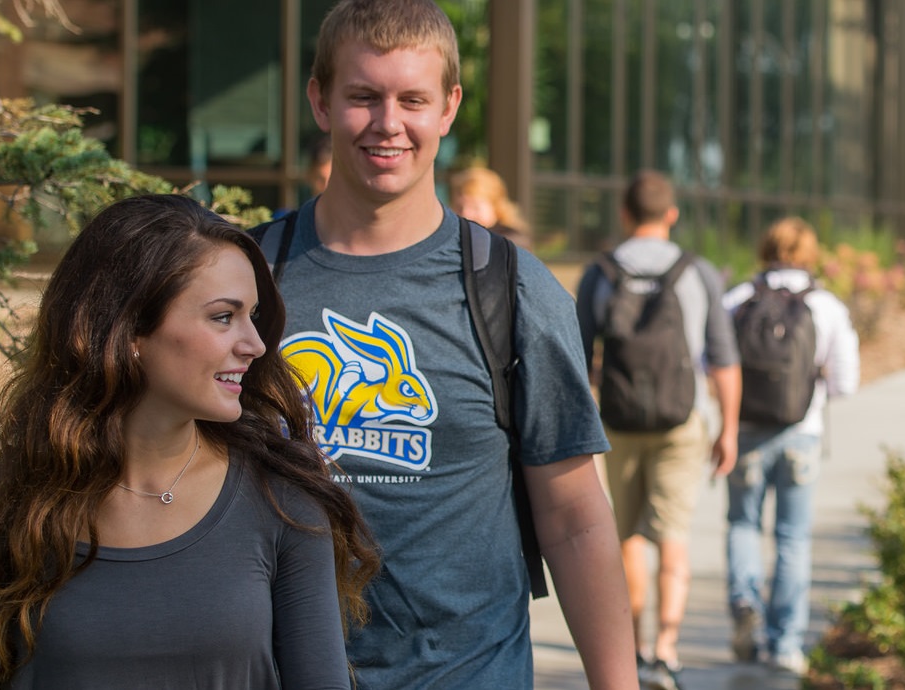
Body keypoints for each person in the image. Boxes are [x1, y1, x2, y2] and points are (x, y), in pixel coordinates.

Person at [253, 1, 638, 687]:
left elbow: (575, 515)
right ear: (319, 101)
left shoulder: (511, 289)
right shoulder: (248, 278)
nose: (388, 123)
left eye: (413, 99)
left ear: (449, 107)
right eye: (362, 97)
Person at [0, 194, 380, 689]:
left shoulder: (285, 505)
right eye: (223, 316)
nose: (255, 344)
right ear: (127, 332)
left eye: (252, 316)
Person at [576, 170, 742, 688]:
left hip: (618, 423)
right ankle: (667, 651)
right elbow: (723, 359)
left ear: (624, 214)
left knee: (627, 536)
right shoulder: (698, 272)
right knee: (673, 535)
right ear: (671, 215)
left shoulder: (601, 272)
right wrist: (729, 429)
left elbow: (577, 359)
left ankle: (637, 646)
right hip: (681, 421)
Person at [720, 217, 860, 674]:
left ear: (765, 248)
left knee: (743, 522)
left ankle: (745, 602)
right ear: (809, 253)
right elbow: (846, 382)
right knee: (792, 537)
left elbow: (712, 362)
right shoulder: (827, 306)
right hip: (803, 432)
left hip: (745, 431)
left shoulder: (738, 299)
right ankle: (784, 646)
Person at [451, 165, 533, 250]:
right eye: (459, 207)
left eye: (475, 207)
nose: (465, 214)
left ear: (495, 206)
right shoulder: (453, 238)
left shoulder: (511, 242)